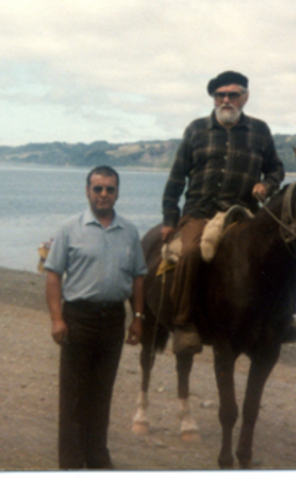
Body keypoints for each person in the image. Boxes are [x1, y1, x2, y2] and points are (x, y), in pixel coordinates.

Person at [161, 71, 285, 354]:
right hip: (200, 211)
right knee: (191, 252)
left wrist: (266, 184)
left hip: (243, 212)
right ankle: (183, 323)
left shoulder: (260, 130)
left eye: (233, 94)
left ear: (245, 97)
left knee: (281, 250)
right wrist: (169, 219)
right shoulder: (195, 130)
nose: (226, 99)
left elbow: (276, 168)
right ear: (214, 98)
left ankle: (279, 318)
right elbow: (177, 177)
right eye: (220, 95)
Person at [44, 165, 147, 470]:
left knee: (102, 394)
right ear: (87, 191)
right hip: (78, 319)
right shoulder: (69, 229)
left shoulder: (129, 231)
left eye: (110, 189)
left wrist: (138, 318)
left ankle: (97, 459)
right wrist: (56, 319)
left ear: (117, 192)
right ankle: (72, 466)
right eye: (98, 188)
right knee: (74, 397)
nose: (104, 194)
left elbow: (139, 277)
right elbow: (53, 275)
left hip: (113, 320)